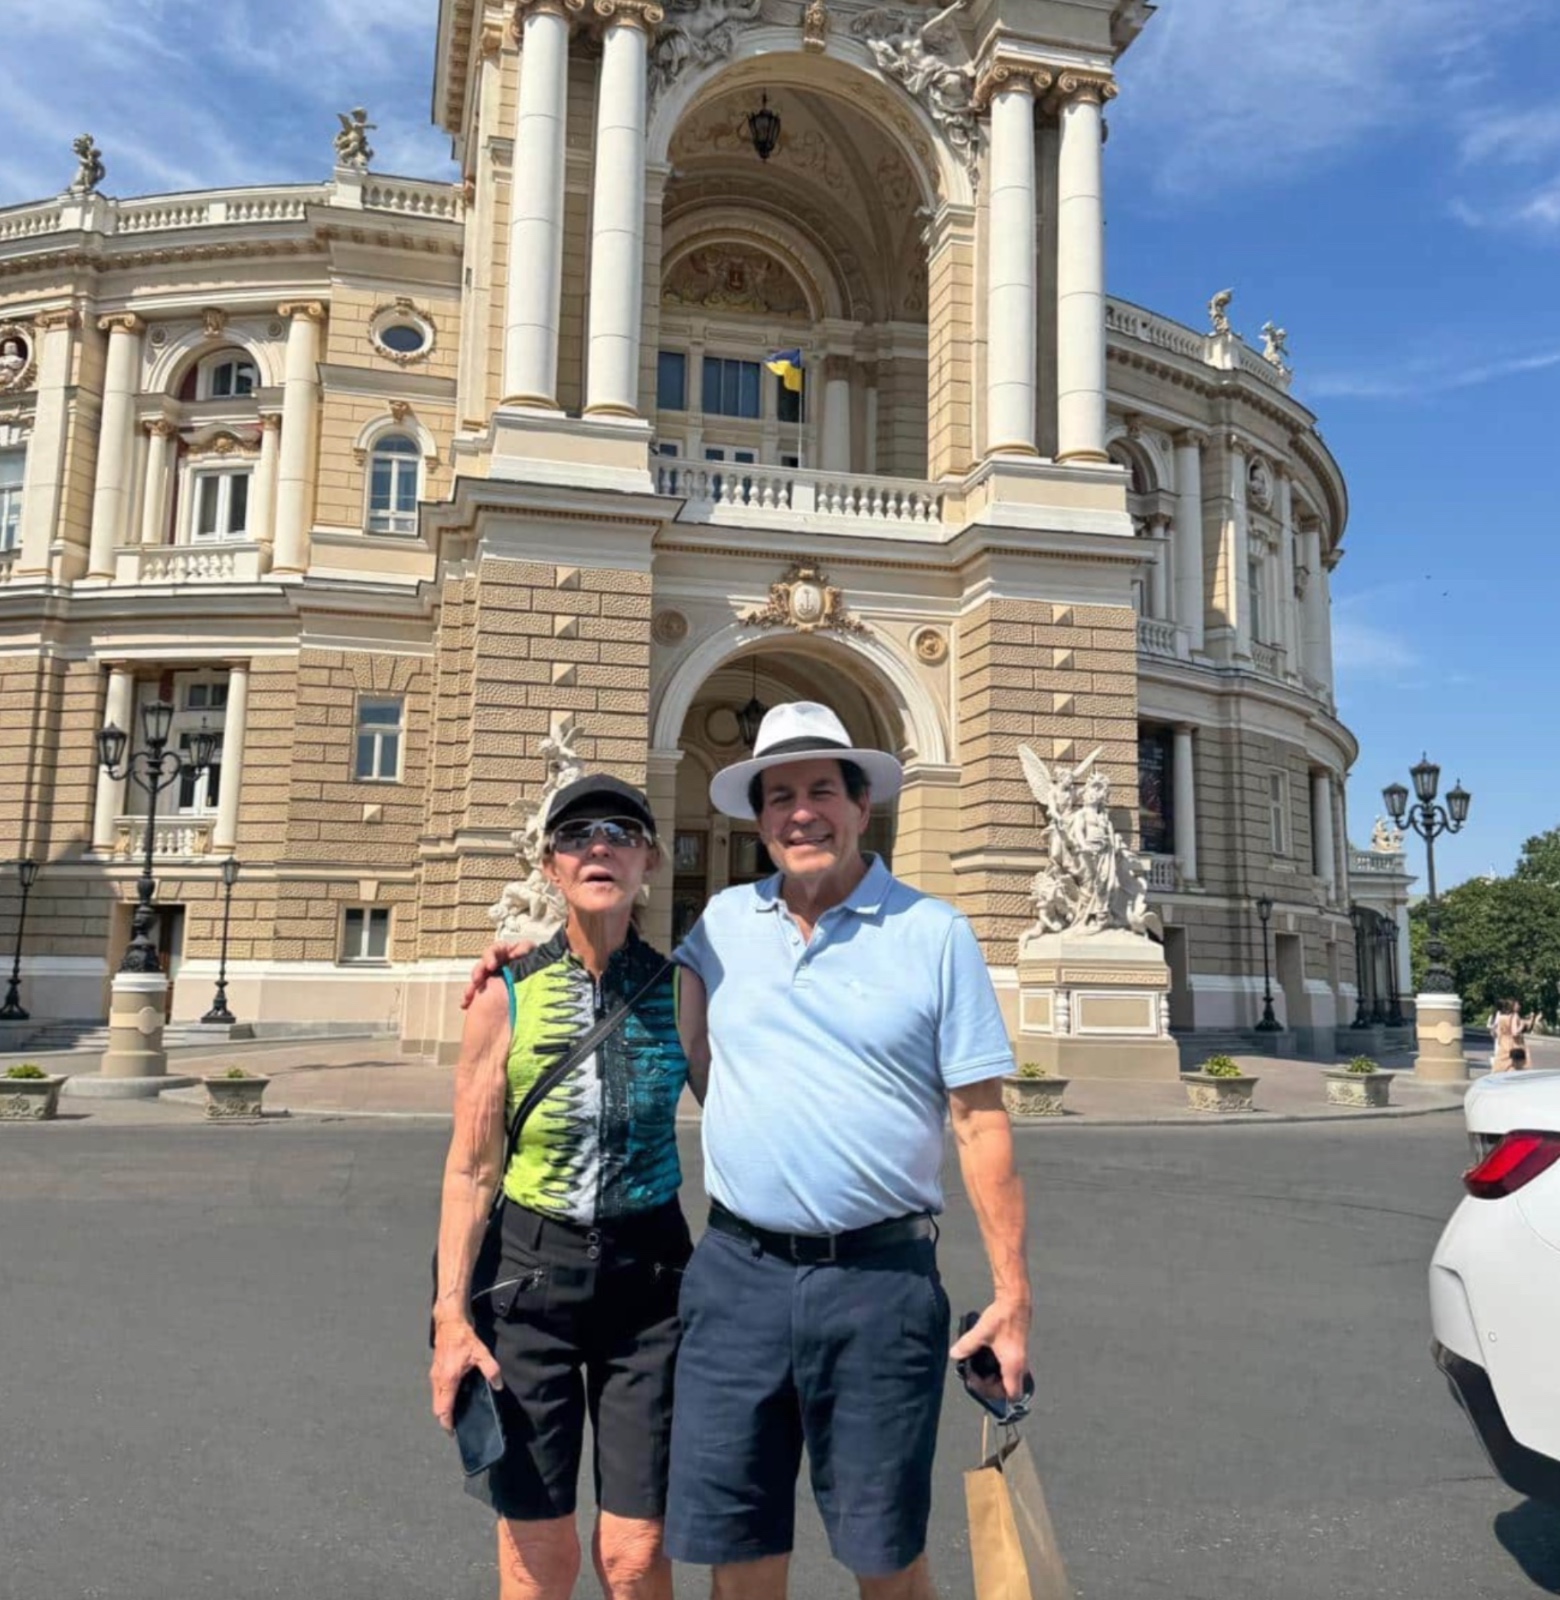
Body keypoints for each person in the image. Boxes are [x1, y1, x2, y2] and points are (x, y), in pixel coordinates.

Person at [465, 703, 1033, 1599]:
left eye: (821, 791)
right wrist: (536, 956)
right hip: (736, 1282)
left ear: (862, 805)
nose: (801, 813)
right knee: (738, 1551)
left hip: (880, 1283)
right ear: (760, 819)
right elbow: (629, 981)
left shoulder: (936, 934)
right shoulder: (724, 925)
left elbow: (981, 1123)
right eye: (779, 797)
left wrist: (1012, 1294)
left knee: (886, 1554)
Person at [431, 772, 695, 1600]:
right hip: (528, 1280)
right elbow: (471, 1168)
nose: (599, 847)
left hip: (650, 1285)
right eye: (577, 836)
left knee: (636, 1552)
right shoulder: (506, 993)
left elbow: (748, 1118)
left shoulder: (683, 989)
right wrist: (449, 1316)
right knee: (538, 1556)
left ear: (649, 861)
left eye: (621, 832)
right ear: (550, 866)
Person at [1492, 998, 1533, 1072]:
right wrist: (1522, 1025)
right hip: (1513, 1044)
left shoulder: (1501, 1017)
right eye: (1517, 1004)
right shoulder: (1514, 1016)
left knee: (1501, 1067)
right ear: (1512, 1006)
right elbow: (1514, 1033)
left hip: (1503, 1044)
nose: (1519, 1006)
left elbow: (1497, 1032)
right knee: (1514, 1066)